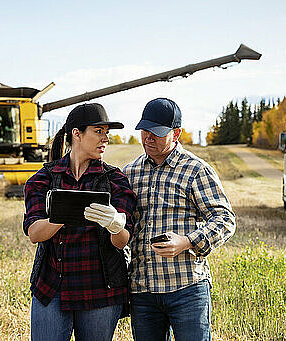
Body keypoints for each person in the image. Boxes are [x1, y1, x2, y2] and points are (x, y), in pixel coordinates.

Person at [123, 98, 236, 341]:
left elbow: (225, 219)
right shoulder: (130, 172)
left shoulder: (196, 170)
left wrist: (186, 242)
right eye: (144, 131)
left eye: (156, 133)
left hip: (187, 289)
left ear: (176, 134)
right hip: (143, 291)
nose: (148, 138)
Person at [23, 103, 136, 341]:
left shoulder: (115, 180)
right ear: (77, 133)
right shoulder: (43, 179)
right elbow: (35, 233)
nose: (105, 138)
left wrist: (115, 224)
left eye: (107, 133)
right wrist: (64, 213)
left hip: (100, 290)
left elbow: (122, 240)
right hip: (52, 288)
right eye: (98, 131)